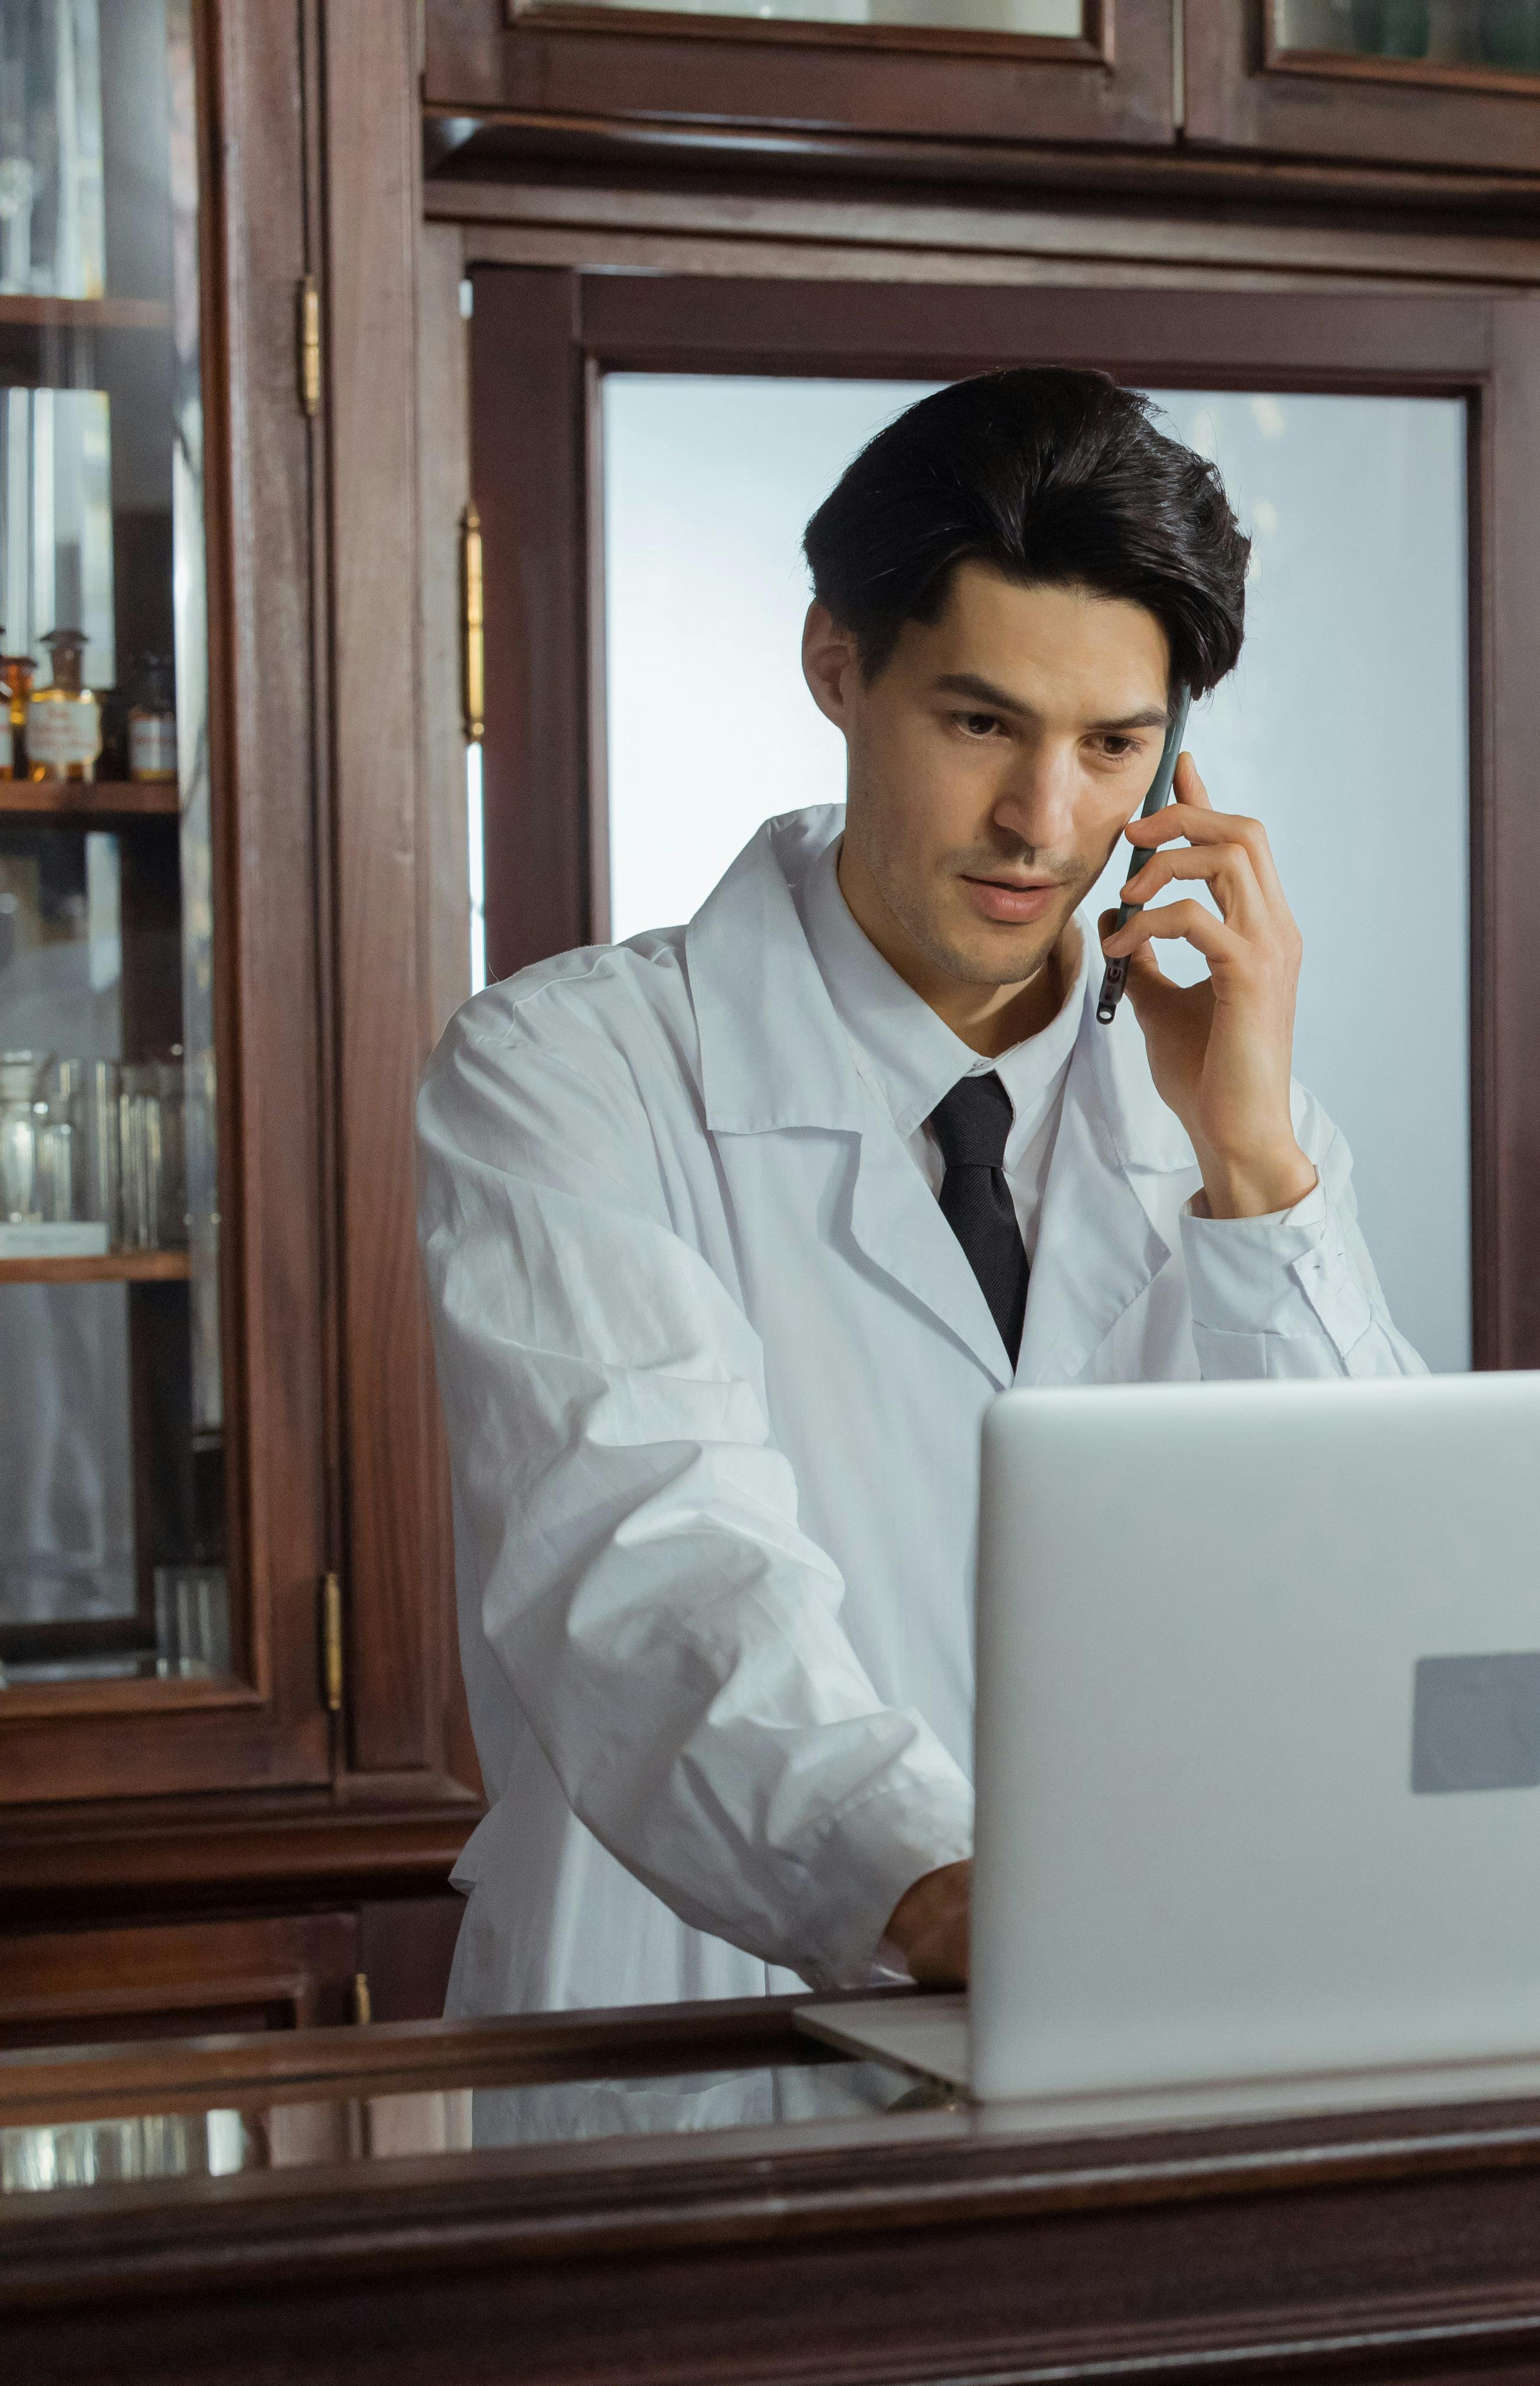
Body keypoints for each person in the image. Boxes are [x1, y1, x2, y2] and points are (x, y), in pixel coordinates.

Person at [418, 369, 1424, 2022]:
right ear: (837, 665)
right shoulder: (569, 1072)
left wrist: (1255, 1168)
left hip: (1135, 2040)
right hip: (694, 2047)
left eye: (1115, 749)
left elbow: (1374, 1590)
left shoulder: (1229, 1127)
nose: (1046, 823)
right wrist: (952, 1895)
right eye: (982, 726)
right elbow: (649, 1563)